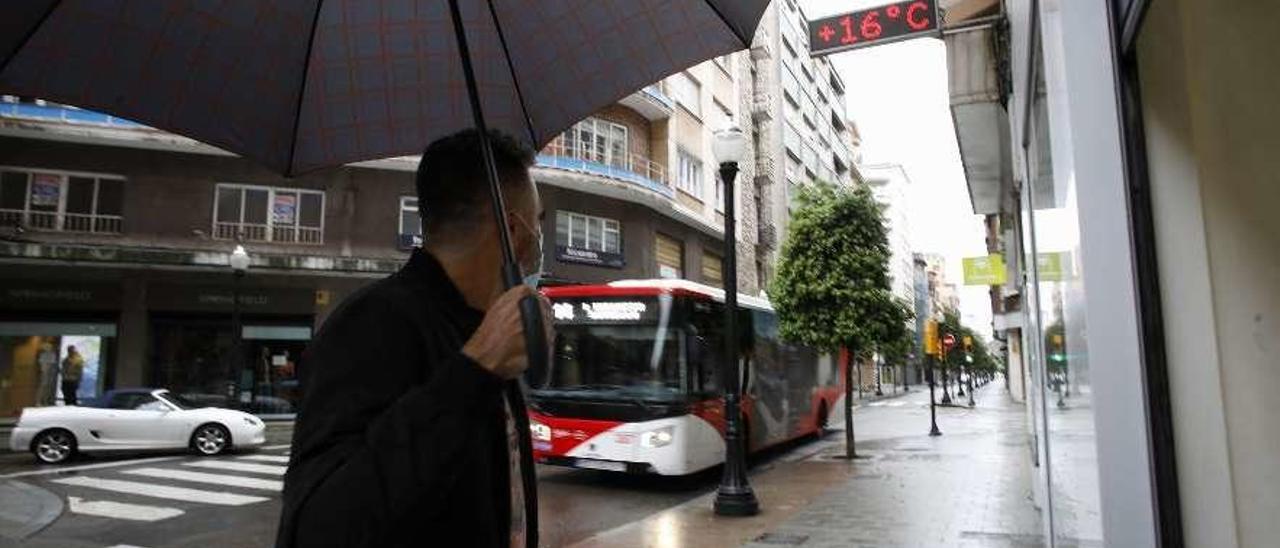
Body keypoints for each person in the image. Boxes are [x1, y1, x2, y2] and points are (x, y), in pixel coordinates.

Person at [276, 130, 551, 548]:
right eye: (539, 222)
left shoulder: (483, 328)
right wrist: (473, 372)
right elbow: (317, 527)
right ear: (513, 229)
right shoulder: (371, 325)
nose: (539, 239)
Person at [35, 341, 58, 406]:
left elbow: (52, 365)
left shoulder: (52, 355)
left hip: (49, 373)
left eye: (50, 347)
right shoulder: (43, 355)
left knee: (48, 388)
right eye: (47, 347)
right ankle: (38, 401)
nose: (49, 348)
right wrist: (44, 371)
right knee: (43, 387)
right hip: (45, 373)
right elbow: (42, 365)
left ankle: (45, 401)